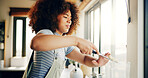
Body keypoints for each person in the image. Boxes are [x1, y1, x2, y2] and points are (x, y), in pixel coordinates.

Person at [26, 0, 110, 78]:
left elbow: (84, 59)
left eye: (70, 18)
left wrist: (98, 62)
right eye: (65, 17)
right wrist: (76, 41)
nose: (69, 21)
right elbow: (36, 43)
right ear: (53, 17)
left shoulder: (64, 45)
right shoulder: (47, 33)